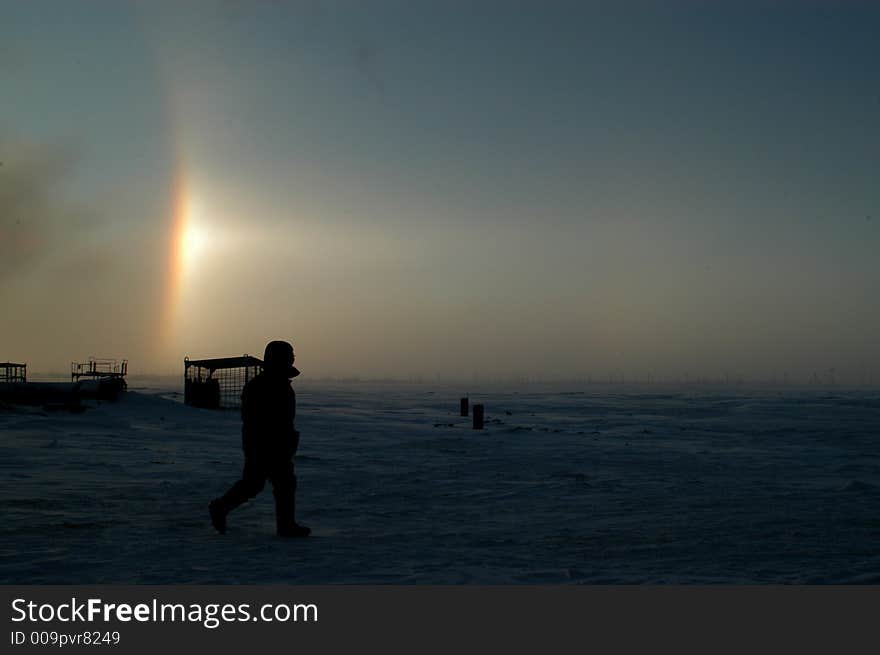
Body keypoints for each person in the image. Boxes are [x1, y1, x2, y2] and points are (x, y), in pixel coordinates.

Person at [209, 340, 311, 537]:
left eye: (292, 355)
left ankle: (222, 508)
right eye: (289, 355)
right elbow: (256, 418)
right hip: (264, 444)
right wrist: (272, 440)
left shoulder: (278, 383)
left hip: (275, 443)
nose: (292, 358)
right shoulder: (262, 386)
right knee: (270, 482)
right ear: (278, 358)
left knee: (268, 483)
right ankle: (285, 525)